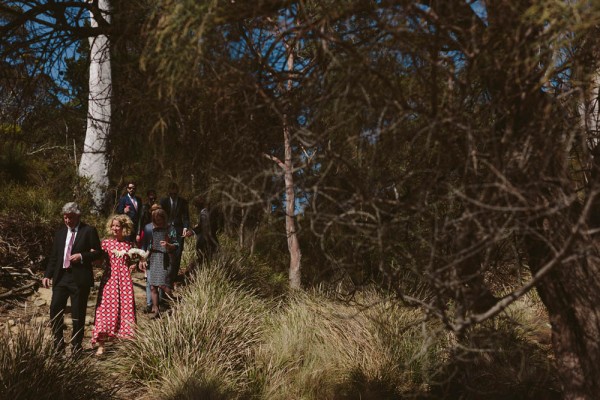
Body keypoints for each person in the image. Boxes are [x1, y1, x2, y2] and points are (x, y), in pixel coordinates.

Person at [42, 202, 102, 355]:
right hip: (61, 277)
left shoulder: (88, 231)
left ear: (78, 216)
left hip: (79, 279)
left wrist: (82, 256)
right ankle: (58, 345)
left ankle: (76, 347)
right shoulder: (60, 233)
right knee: (55, 310)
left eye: (71, 217)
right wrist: (47, 274)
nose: (68, 220)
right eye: (65, 217)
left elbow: (98, 253)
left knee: (78, 313)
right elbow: (54, 256)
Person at [91, 214, 137, 356]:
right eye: (113, 225)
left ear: (124, 228)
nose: (115, 228)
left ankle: (121, 342)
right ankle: (101, 344)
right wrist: (93, 255)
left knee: (125, 309)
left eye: (118, 226)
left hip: (124, 281)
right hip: (110, 279)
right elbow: (98, 262)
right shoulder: (105, 243)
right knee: (105, 309)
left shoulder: (129, 245)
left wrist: (134, 265)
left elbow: (133, 261)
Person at [139, 206, 177, 319]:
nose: (157, 222)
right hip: (154, 258)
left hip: (165, 258)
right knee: (153, 286)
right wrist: (144, 259)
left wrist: (168, 245)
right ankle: (156, 309)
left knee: (163, 285)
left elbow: (176, 244)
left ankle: (172, 300)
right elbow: (150, 246)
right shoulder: (153, 230)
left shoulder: (171, 229)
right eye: (156, 220)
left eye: (160, 220)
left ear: (164, 218)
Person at [159, 182, 189, 286]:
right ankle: (165, 275)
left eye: (175, 194)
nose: (173, 195)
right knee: (166, 251)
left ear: (177, 192)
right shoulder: (164, 201)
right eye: (171, 194)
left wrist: (185, 227)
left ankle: (174, 277)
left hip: (178, 229)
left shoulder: (183, 202)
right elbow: (160, 215)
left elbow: (185, 216)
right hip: (166, 228)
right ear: (168, 192)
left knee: (178, 252)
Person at [185, 195, 219, 268]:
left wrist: (192, 232)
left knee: (203, 260)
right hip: (211, 240)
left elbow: (204, 228)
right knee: (207, 261)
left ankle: (195, 270)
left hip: (205, 241)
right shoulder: (210, 212)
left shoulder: (204, 213)